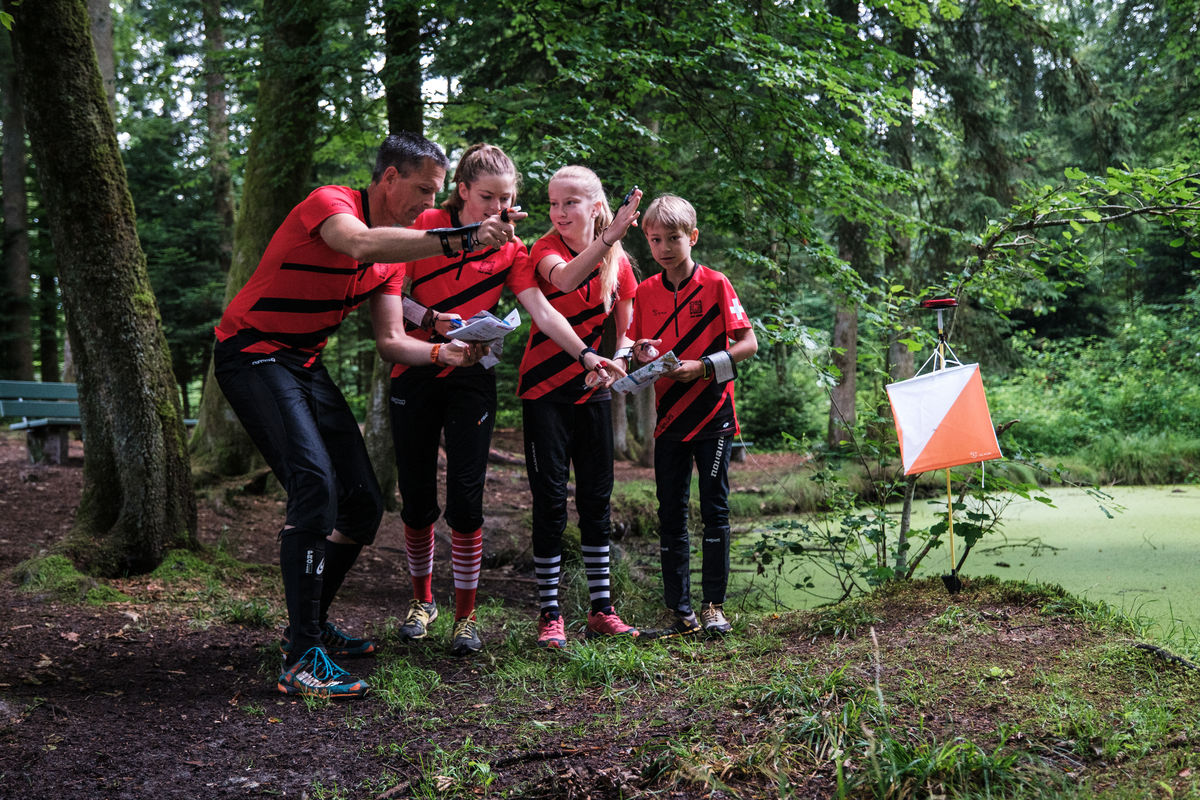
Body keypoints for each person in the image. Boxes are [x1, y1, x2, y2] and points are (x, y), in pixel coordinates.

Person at [213, 132, 516, 698]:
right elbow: (357, 243)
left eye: (435, 193)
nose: (428, 204)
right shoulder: (332, 205)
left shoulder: (391, 262)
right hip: (251, 352)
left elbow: (391, 341)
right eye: (423, 190)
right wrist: (464, 237)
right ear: (389, 178)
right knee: (314, 485)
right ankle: (302, 657)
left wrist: (444, 353)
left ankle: (308, 627)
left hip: (303, 362)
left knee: (361, 502)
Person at [390, 144, 628, 656]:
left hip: (472, 376)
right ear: (461, 192)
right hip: (414, 367)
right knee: (416, 495)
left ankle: (466, 617)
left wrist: (588, 356)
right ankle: (421, 601)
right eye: (487, 198)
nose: (498, 208)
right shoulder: (425, 223)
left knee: (467, 499)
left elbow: (542, 311)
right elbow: (389, 292)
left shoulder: (514, 249)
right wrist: (431, 321)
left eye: (507, 199)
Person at [517, 165, 643, 648]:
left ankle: (601, 610)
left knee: (596, 500)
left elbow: (627, 329)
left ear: (595, 206)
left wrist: (619, 359)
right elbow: (567, 281)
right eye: (553, 203)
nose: (559, 212)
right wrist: (610, 237)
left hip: (594, 391)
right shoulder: (545, 249)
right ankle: (550, 614)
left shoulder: (619, 263)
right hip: (544, 392)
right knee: (550, 502)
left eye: (569, 202)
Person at [624, 194, 758, 638]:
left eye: (673, 238)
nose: (664, 248)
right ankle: (679, 612)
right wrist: (639, 354)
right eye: (655, 239)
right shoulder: (645, 291)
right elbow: (633, 349)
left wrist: (702, 368)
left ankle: (714, 607)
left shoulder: (716, 284)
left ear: (692, 237)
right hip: (668, 421)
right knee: (670, 512)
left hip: (714, 415)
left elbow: (748, 344)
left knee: (715, 508)